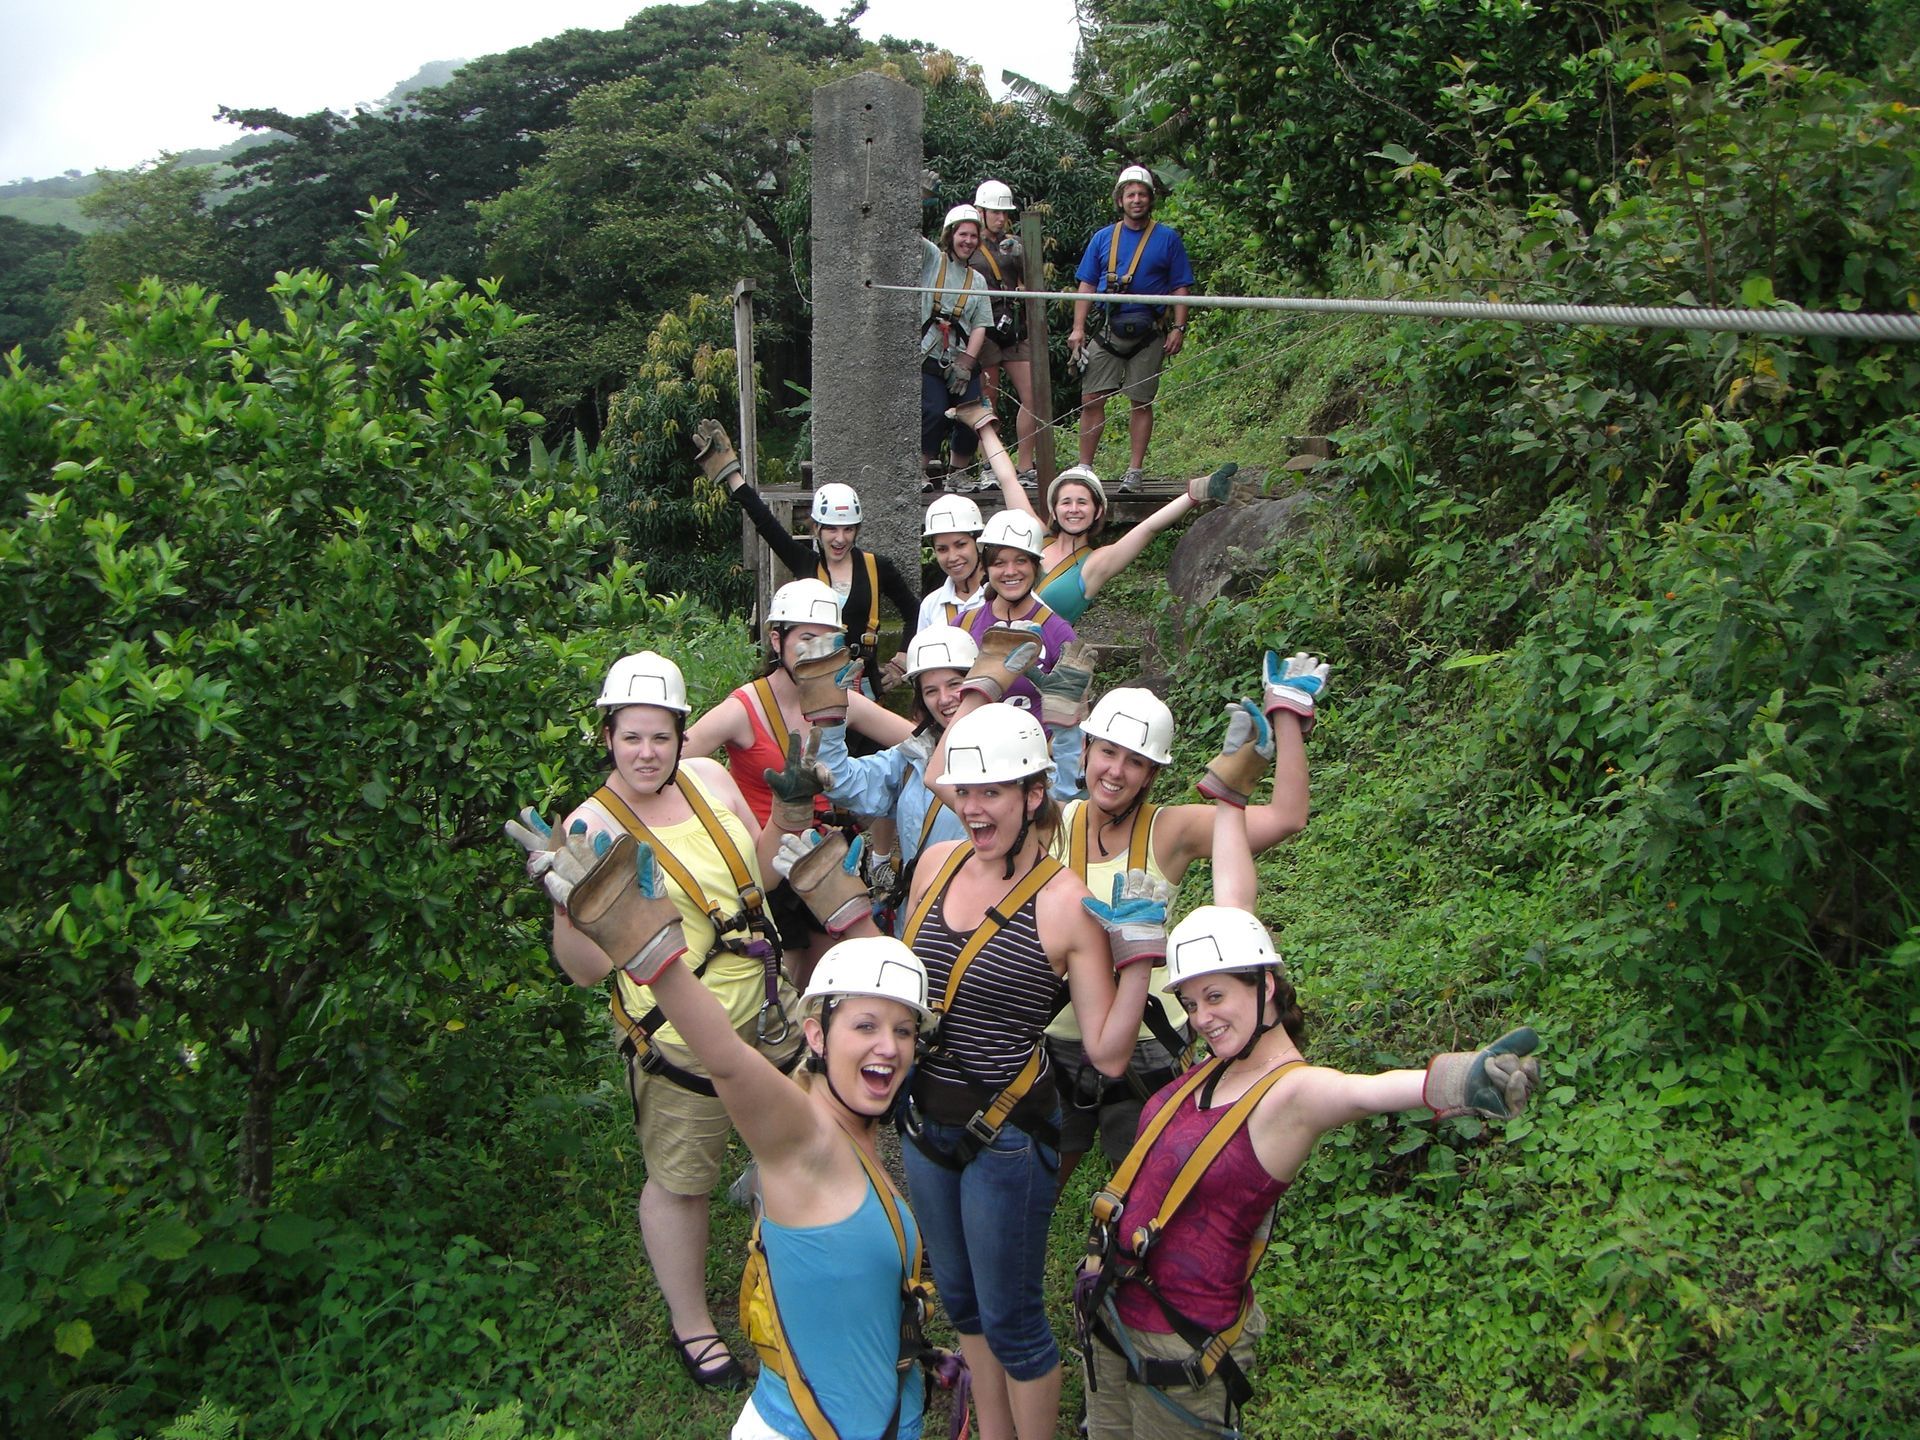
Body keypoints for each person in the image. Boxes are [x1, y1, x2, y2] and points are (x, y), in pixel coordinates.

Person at [1075, 799, 1542, 1439]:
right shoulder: (1218, 1061)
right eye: (1190, 1000)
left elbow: (1364, 1092)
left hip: (1178, 1351)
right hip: (1114, 1318)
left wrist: (1461, 1080)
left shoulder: (1290, 1096)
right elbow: (1234, 900)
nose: (1203, 1016)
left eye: (1216, 997)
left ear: (1266, 988)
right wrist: (1230, 795)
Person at [505, 651, 801, 1392]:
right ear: (608, 737)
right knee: (682, 1180)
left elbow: (758, 877)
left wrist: (789, 814)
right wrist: (574, 903)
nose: (647, 752)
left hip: (768, 1011)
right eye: (632, 737)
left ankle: (798, 1290)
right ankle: (693, 1325)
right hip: (679, 1039)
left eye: (661, 736)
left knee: (800, 1152)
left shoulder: (707, 779)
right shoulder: (590, 826)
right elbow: (583, 970)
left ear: (679, 735)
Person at [902, 701, 1162, 1440]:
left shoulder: (1065, 904)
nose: (975, 809)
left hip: (1008, 1136)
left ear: (1033, 796)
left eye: (994, 793)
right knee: (962, 1302)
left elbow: (1109, 1052)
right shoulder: (934, 864)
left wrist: (1139, 953)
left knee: (1012, 1318)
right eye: (967, 792)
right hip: (925, 1127)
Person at [1042, 654, 1323, 1189]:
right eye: (1107, 752)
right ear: (1085, 751)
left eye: (1134, 761)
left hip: (1147, 1038)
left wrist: (1285, 719)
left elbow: (1287, 817)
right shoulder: (1051, 823)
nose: (1116, 771)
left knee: (1148, 1187)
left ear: (1152, 773)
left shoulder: (1168, 830)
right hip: (1058, 1032)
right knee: (1041, 1179)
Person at [682, 579, 912, 980]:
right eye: (806, 639)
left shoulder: (840, 702)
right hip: (771, 865)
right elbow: (672, 762)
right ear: (777, 641)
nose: (817, 652)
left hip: (830, 863)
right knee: (785, 978)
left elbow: (920, 743)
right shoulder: (744, 708)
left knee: (842, 976)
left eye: (829, 641)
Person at [949, 401, 1237, 625]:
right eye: (1066, 502)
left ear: (1098, 509)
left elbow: (1147, 529)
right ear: (1054, 508)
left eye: (1082, 503)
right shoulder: (1036, 538)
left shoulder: (1094, 565)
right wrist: (984, 425)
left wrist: (1194, 494)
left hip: (1045, 663)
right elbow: (1009, 479)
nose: (1074, 510)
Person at [691, 420, 920, 677]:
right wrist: (733, 476)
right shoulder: (806, 564)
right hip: (814, 685)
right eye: (831, 529)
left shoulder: (877, 568)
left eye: (848, 530)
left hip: (863, 686)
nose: (840, 539)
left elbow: (914, 611)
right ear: (817, 530)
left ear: (857, 530)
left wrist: (901, 660)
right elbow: (766, 523)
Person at [1068, 165, 1196, 492]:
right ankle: (1085, 468)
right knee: (1091, 397)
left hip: (1149, 331)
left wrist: (1178, 327)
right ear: (1120, 200)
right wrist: (1078, 328)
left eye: (1141, 194)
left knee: (1141, 400)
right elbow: (1085, 285)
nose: (1136, 200)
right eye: (1130, 195)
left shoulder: (1167, 239)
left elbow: (1181, 286)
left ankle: (1134, 471)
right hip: (1108, 328)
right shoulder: (1102, 239)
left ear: (1150, 199)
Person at [963, 508, 1077, 715]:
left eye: (1021, 561)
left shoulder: (1058, 631)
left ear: (1035, 566)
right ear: (986, 569)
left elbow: (1074, 712)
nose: (1010, 571)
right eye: (999, 563)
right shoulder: (964, 625)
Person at [967, 179, 1039, 483]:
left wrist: (1023, 255)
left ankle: (1025, 466)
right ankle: (991, 466)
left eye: (1004, 213)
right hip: (983, 328)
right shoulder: (969, 245)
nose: (1001, 218)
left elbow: (1032, 281)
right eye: (995, 212)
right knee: (988, 400)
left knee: (1033, 394)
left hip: (1013, 326)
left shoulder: (1013, 245)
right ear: (981, 212)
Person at [920, 204, 995, 477]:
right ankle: (918, 470)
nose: (968, 241)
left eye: (973, 236)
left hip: (961, 356)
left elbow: (980, 324)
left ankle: (958, 472)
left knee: (972, 411)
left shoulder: (977, 281)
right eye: (963, 234)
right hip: (928, 354)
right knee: (934, 411)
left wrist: (967, 361)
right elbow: (908, 236)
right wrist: (922, 200)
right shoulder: (932, 260)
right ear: (950, 235)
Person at [915, 494, 990, 634]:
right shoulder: (931, 605)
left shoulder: (1004, 594)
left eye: (960, 545)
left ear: (978, 543)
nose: (952, 557)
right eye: (942, 549)